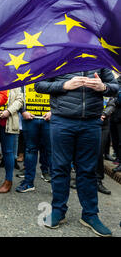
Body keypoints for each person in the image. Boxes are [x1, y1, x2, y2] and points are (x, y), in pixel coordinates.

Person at [35, 69, 118, 237]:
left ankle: (90, 215)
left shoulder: (97, 58)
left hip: (91, 123)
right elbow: (39, 85)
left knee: (88, 171)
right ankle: (58, 211)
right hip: (62, 121)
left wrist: (103, 87)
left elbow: (116, 87)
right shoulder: (60, 56)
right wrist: (65, 85)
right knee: (60, 168)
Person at [15, 84, 52, 193]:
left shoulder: (54, 71)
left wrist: (53, 111)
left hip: (49, 119)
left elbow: (60, 92)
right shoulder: (27, 71)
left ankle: (57, 186)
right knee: (30, 150)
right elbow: (19, 93)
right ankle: (28, 182)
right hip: (30, 119)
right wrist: (22, 111)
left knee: (52, 152)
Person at [0, 88, 23, 193]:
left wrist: (8, 111)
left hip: (9, 121)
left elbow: (20, 100)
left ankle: (8, 181)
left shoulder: (14, 81)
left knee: (8, 152)